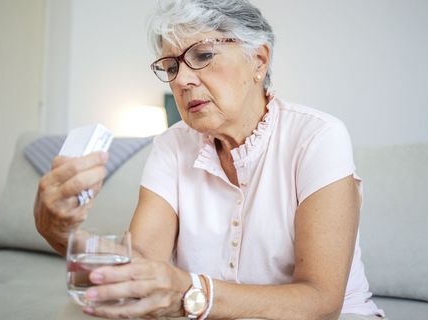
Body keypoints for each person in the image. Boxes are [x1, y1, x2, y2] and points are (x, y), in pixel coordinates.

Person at [34, 0, 386, 319]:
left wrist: (191, 291)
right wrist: (60, 231)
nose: (183, 80)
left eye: (202, 55)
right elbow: (141, 268)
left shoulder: (317, 137)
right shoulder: (171, 145)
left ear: (258, 60)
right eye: (170, 66)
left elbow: (321, 301)